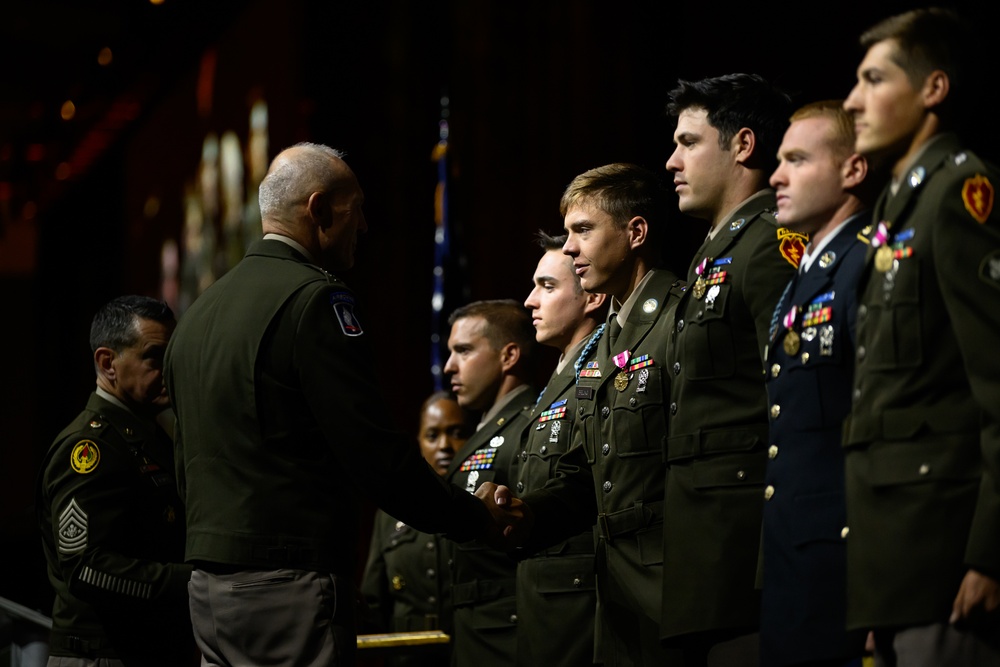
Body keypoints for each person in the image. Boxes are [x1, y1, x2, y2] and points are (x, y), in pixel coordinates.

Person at [163, 143, 496, 667]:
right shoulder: (315, 301)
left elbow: (187, 466)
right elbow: (374, 455)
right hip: (287, 585)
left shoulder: (195, 319)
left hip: (207, 591)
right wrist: (475, 518)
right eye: (356, 208)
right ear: (318, 210)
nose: (363, 225)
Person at [841, 9, 1000, 665]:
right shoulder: (897, 204)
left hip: (948, 560)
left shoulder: (957, 191)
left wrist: (990, 555)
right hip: (900, 565)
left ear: (933, 88)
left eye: (873, 79)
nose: (852, 101)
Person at [485, 163, 687, 667]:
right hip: (615, 595)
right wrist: (528, 512)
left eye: (583, 230)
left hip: (674, 584)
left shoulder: (681, 317)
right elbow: (586, 478)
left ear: (635, 232)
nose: (570, 247)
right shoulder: (604, 346)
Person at [661, 73, 798, 664]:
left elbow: (791, 401)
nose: (671, 161)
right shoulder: (712, 254)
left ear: (742, 145)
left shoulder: (770, 242)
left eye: (688, 142)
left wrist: (776, 556)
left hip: (743, 550)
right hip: (704, 551)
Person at [761, 100, 875, 667]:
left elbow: (880, 429)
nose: (776, 176)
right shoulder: (806, 275)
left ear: (853, 170)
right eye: (778, 160)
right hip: (794, 557)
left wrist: (884, 584)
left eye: (797, 160)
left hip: (846, 562)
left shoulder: (865, 264)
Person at [37, 295, 195, 666]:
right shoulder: (91, 448)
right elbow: (85, 567)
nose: (168, 370)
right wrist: (192, 582)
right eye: (154, 356)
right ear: (108, 363)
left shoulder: (145, 435)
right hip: (101, 655)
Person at [515, 231, 606, 667]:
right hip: (543, 598)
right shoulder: (560, 376)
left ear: (592, 297)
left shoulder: (600, 372)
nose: (530, 301)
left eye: (547, 287)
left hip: (579, 601)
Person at [442, 299, 538, 667]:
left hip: (507, 634)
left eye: (463, 351)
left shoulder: (529, 424)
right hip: (475, 633)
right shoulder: (484, 431)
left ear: (508, 355)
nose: (449, 366)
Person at [361, 391, 475, 667]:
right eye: (432, 435)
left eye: (457, 432)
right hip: (408, 655)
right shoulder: (391, 513)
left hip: (469, 650)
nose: (445, 446)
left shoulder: (482, 506)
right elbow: (374, 600)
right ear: (419, 444)